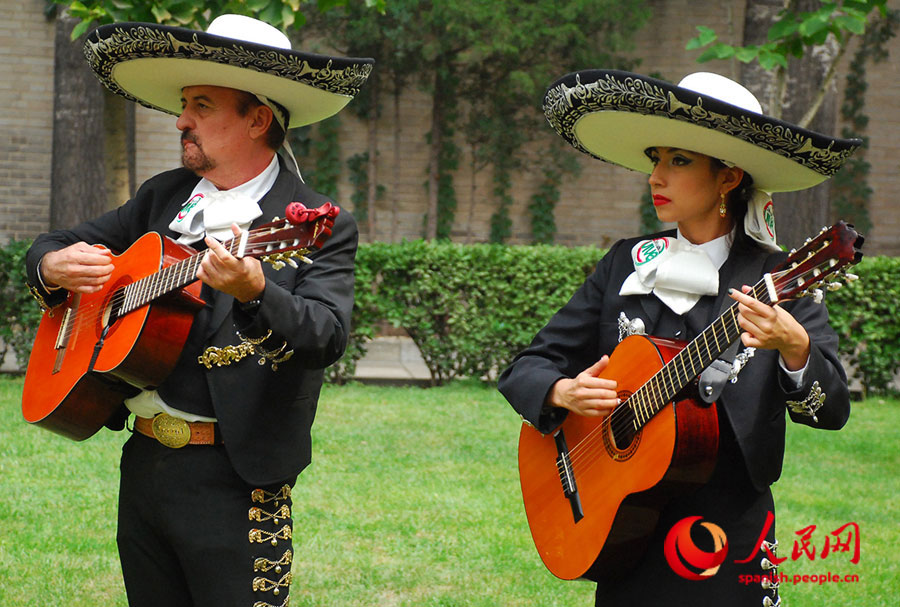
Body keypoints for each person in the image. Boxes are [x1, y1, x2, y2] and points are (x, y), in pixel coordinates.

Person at [25, 15, 372, 607]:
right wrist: (52, 268)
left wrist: (257, 291)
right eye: (185, 103)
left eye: (202, 105)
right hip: (144, 463)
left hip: (236, 477)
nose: (182, 119)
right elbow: (55, 243)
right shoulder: (164, 196)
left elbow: (327, 336)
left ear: (258, 118)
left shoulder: (312, 223)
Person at [498, 70, 861, 606]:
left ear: (728, 178)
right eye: (655, 160)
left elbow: (829, 412)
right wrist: (560, 392)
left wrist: (795, 348)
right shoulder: (624, 262)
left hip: (726, 532)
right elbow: (528, 366)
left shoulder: (778, 280)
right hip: (622, 523)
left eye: (678, 161)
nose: (655, 177)